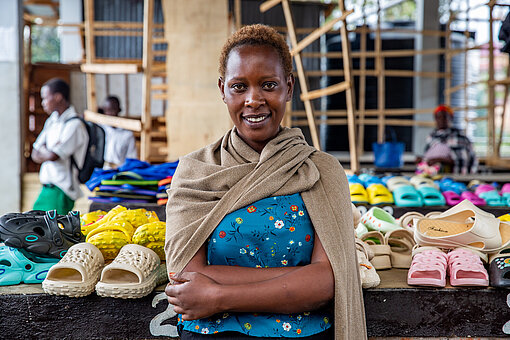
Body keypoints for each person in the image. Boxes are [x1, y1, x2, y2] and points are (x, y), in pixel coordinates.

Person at [164, 24, 366, 340]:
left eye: (268, 85)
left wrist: (217, 296)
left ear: (289, 88)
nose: (254, 100)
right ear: (222, 89)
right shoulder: (197, 171)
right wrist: (297, 279)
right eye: (239, 87)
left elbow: (327, 282)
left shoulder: (321, 172)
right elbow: (185, 275)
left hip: (304, 334)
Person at [31, 78, 88, 214]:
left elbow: (54, 155)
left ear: (58, 97)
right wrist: (48, 152)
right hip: (48, 188)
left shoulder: (74, 125)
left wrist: (45, 150)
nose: (43, 103)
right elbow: (34, 153)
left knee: (43, 230)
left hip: (61, 188)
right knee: (35, 227)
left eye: (45, 98)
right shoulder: (52, 121)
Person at [419, 104, 478, 175]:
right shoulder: (432, 137)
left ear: (451, 118)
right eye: (438, 117)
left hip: (456, 177)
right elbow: (428, 159)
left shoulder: (460, 137)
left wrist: (440, 159)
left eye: (445, 117)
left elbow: (464, 160)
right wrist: (423, 160)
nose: (441, 120)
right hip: (435, 176)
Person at [98, 95, 137, 169]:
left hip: (118, 172)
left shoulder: (127, 134)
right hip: (101, 171)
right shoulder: (100, 129)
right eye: (107, 110)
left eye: (113, 110)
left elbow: (131, 158)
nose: (110, 114)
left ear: (119, 110)